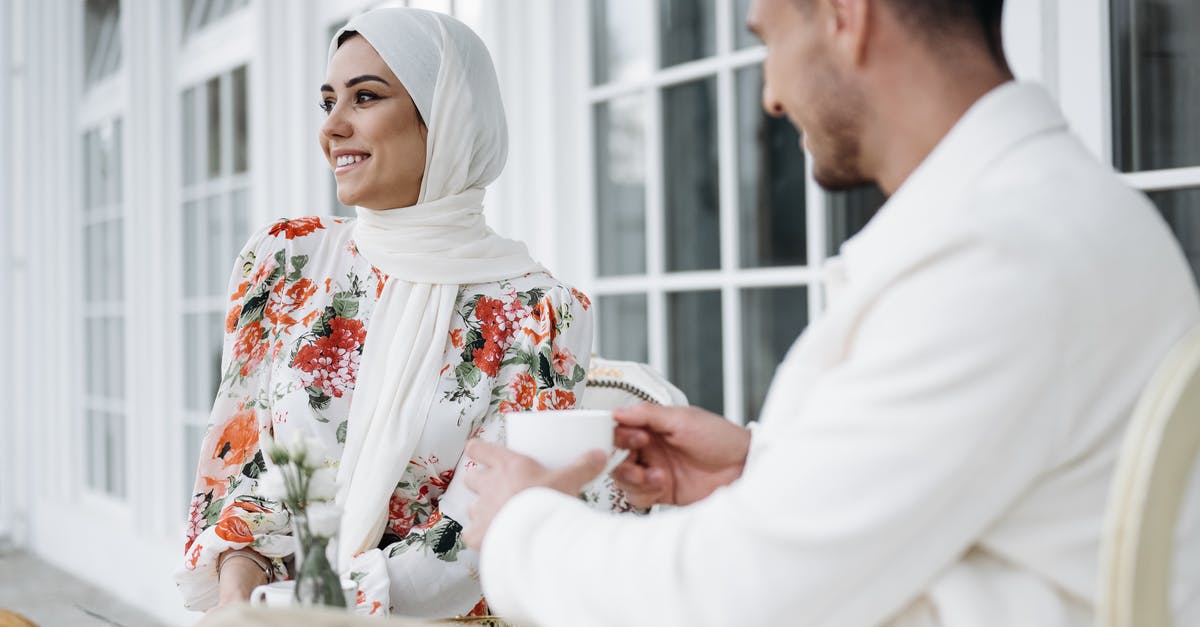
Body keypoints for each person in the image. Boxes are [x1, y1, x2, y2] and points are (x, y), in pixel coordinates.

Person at [460, 0, 1200, 625]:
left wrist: (520, 525)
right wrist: (758, 470)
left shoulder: (1003, 257)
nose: (771, 95)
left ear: (847, 15)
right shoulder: (1052, 214)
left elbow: (732, 599)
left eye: (768, 40)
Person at [174, 8, 600, 619]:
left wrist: (309, 608)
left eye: (365, 97)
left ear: (447, 118)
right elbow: (242, 474)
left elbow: (474, 544)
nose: (333, 127)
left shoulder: (540, 314)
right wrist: (243, 592)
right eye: (327, 103)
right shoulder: (287, 261)